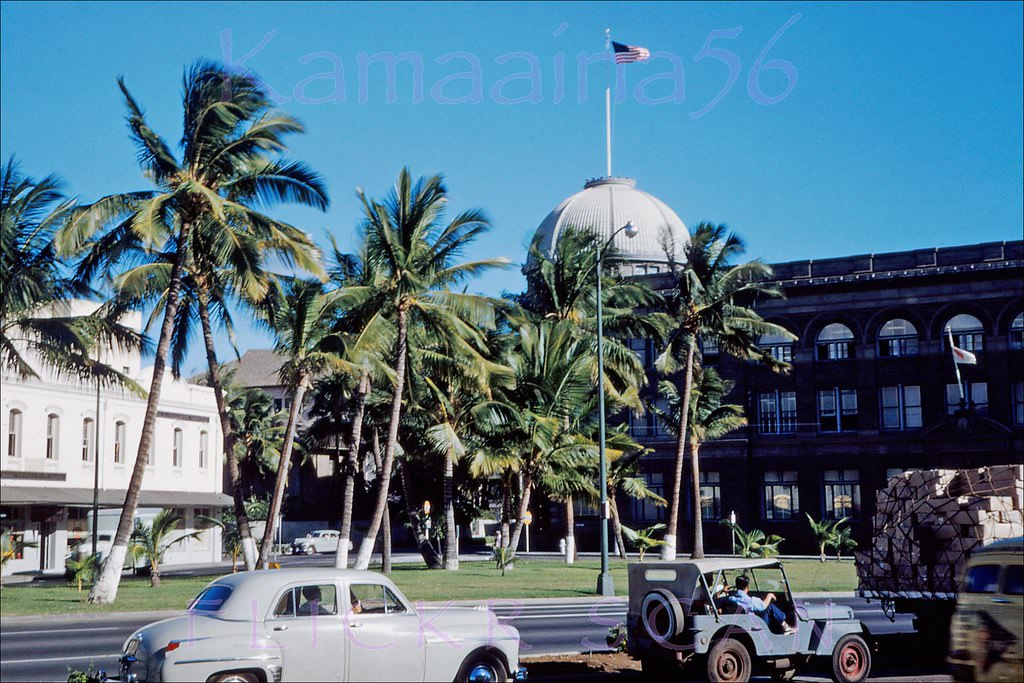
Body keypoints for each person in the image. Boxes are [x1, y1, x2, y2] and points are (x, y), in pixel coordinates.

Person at [724, 575, 797, 635]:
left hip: (739, 624)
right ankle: (785, 626)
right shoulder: (749, 601)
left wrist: (723, 591)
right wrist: (769, 596)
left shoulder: (730, 598)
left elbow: (717, 600)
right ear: (747, 587)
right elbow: (763, 606)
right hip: (754, 626)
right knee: (769, 606)